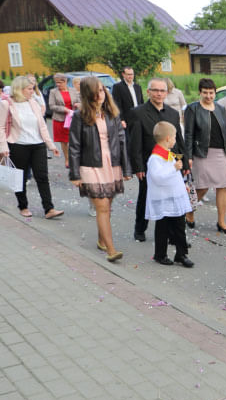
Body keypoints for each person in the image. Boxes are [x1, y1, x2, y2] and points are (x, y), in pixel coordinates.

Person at [69, 77, 131, 261]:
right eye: (95, 92)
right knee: (102, 207)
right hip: (90, 165)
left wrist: (126, 169)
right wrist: (74, 174)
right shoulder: (79, 116)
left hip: (111, 164)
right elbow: (74, 146)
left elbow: (122, 141)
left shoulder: (112, 113)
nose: (99, 95)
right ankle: (111, 250)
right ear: (88, 94)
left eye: (102, 91)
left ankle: (101, 239)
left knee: (107, 206)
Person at [128, 78, 186, 242]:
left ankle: (173, 234)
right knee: (145, 196)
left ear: (167, 93)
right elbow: (135, 142)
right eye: (155, 90)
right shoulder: (138, 112)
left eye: (162, 91)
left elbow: (179, 141)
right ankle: (140, 228)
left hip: (170, 163)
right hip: (149, 162)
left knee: (170, 197)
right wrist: (138, 167)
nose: (159, 94)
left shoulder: (172, 113)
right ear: (148, 92)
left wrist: (184, 161)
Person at [0, 76, 62, 218]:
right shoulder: (6, 104)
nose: (32, 92)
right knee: (20, 178)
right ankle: (23, 206)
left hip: (38, 145)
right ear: (20, 89)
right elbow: (1, 127)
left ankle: (49, 209)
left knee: (42, 176)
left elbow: (42, 125)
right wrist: (4, 147)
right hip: (18, 145)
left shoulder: (33, 102)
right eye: (29, 89)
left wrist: (51, 145)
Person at [184, 78, 226, 234]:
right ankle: (189, 212)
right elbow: (188, 133)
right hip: (201, 152)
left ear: (215, 93)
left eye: (211, 93)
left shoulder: (220, 108)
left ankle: (221, 222)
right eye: (205, 92)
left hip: (220, 153)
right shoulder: (193, 109)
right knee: (202, 187)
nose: (208, 96)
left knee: (223, 186)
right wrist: (189, 156)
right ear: (200, 92)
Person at [145, 121, 193, 268]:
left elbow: (174, 176)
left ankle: (181, 253)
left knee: (179, 225)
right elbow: (157, 177)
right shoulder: (155, 158)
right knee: (163, 227)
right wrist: (173, 168)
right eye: (174, 137)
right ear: (167, 138)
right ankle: (160, 254)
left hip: (174, 196)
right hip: (163, 199)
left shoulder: (169, 155)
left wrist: (182, 184)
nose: (175, 140)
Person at [48, 73, 80, 168]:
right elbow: (51, 106)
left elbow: (79, 101)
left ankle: (75, 157)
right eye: (56, 83)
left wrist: (77, 105)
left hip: (73, 118)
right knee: (64, 140)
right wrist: (64, 109)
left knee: (75, 139)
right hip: (60, 119)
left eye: (60, 82)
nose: (58, 85)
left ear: (65, 81)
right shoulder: (53, 92)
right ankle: (67, 159)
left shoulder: (73, 90)